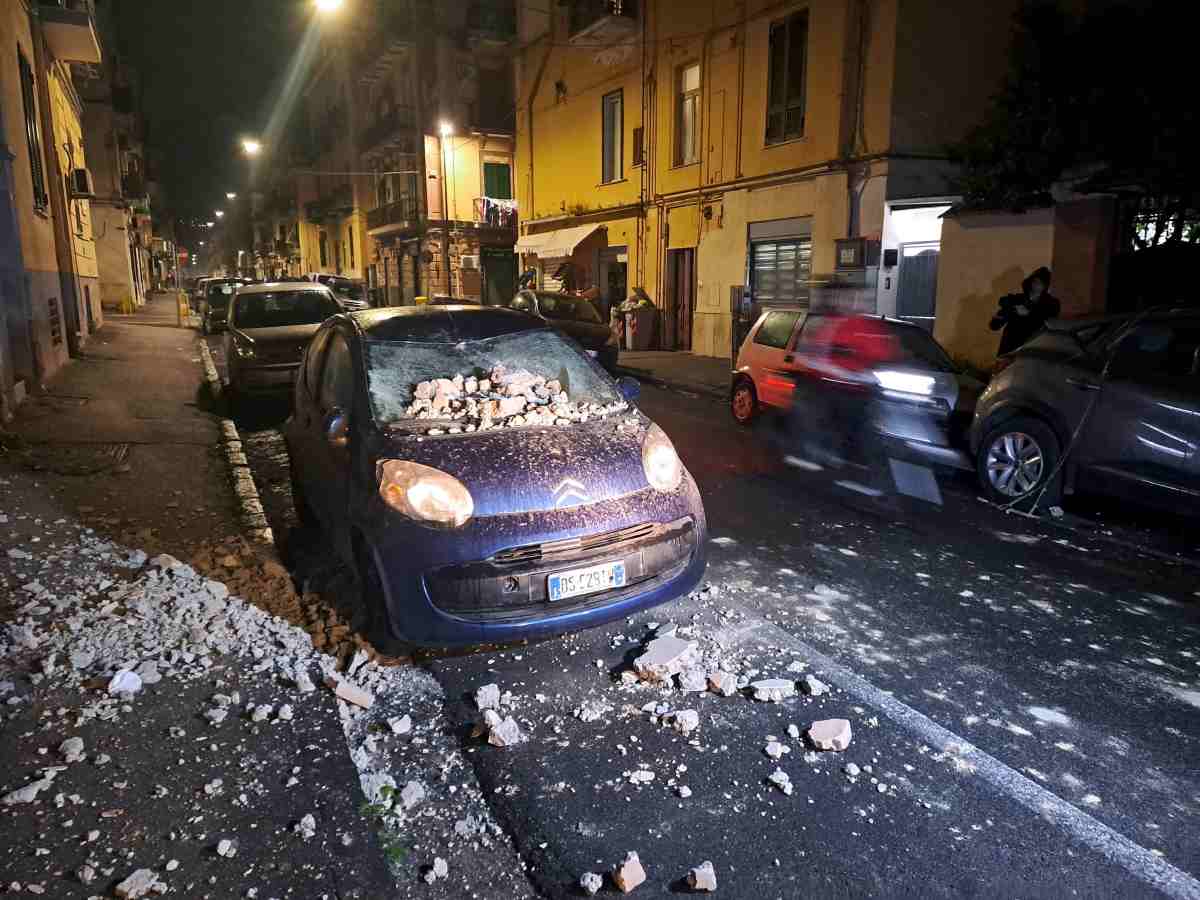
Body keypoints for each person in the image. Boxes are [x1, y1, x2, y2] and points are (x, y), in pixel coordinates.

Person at [990, 267, 1060, 355]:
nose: (1036, 285)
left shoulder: (1051, 304)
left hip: (1033, 350)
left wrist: (1028, 313)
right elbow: (994, 325)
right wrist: (999, 318)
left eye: (1040, 283)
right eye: (1035, 281)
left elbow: (1049, 320)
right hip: (1010, 349)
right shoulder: (1017, 299)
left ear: (1045, 286)